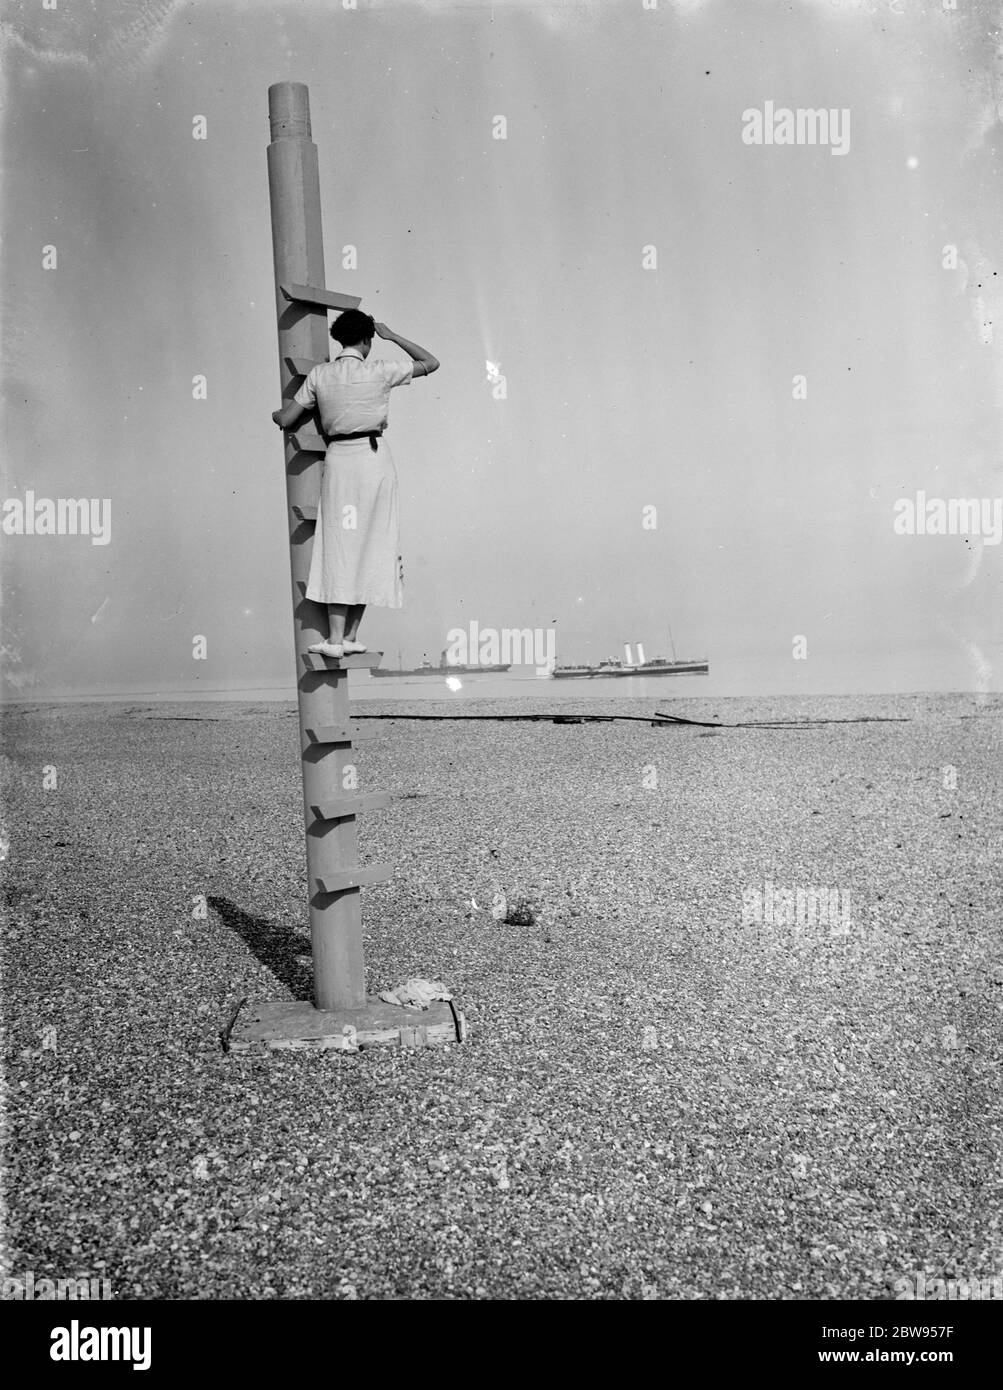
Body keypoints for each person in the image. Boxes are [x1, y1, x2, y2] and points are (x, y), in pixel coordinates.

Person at [271, 310, 439, 658]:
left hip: (340, 460)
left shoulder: (320, 374)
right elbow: (430, 362)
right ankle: (350, 636)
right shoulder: (379, 370)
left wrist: (277, 415)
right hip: (375, 458)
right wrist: (391, 335)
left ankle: (334, 639)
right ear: (367, 339)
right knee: (374, 543)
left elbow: (286, 418)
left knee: (339, 543)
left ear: (338, 338)